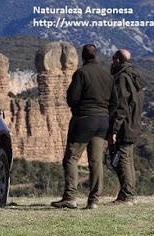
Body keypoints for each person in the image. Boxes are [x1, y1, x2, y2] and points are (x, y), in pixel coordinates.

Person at [51, 44, 116, 209]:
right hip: (103, 121)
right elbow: (115, 102)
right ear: (97, 56)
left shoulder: (81, 73)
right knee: (96, 161)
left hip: (85, 119)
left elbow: (72, 98)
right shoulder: (107, 75)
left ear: (83, 57)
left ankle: (70, 197)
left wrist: (78, 109)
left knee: (71, 158)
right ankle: (94, 200)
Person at [110, 49, 145, 205]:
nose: (111, 62)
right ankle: (128, 194)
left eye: (113, 59)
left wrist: (114, 129)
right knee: (128, 160)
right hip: (134, 124)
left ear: (118, 60)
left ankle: (127, 196)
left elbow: (121, 106)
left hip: (125, 126)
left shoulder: (122, 78)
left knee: (123, 159)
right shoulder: (133, 75)